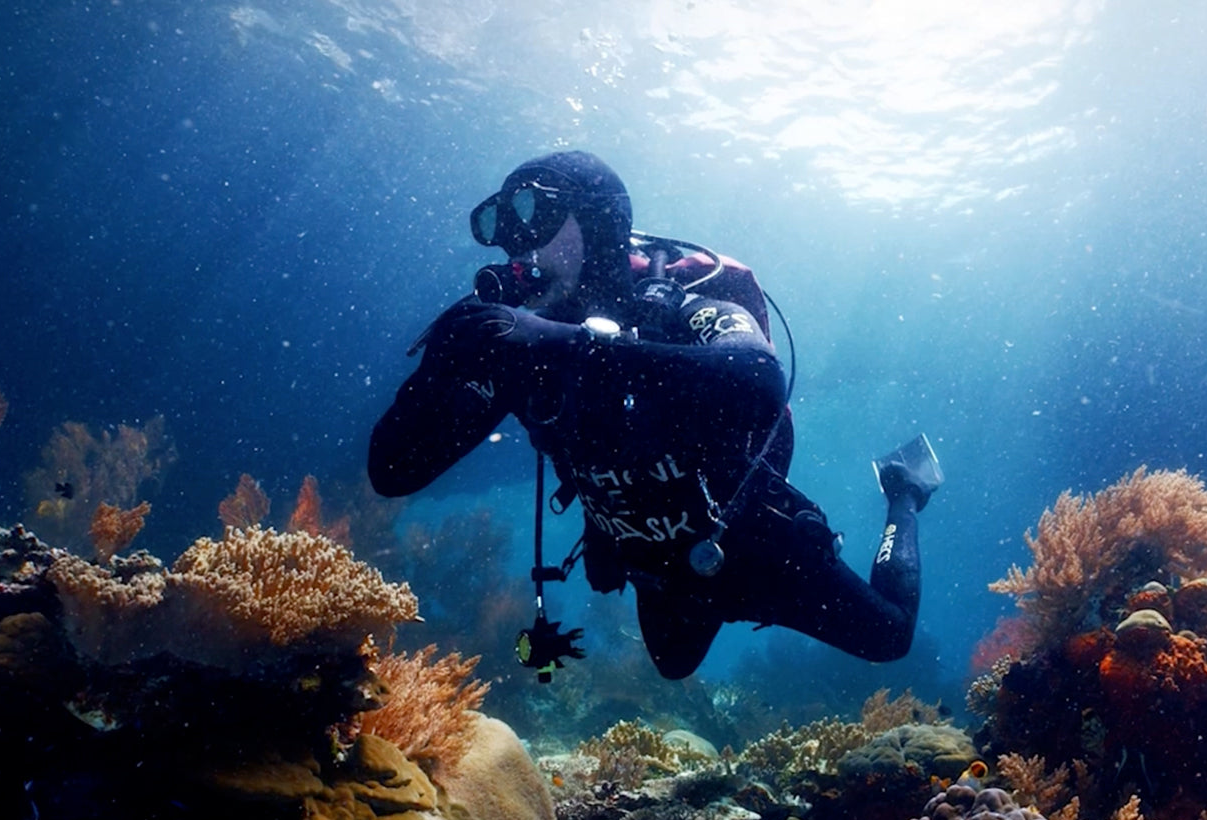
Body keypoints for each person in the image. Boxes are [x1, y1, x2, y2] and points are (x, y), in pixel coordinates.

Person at [367, 151, 942, 680]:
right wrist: (441, 371)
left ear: (597, 224)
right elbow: (394, 471)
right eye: (500, 224)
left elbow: (757, 378)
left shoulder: (675, 303)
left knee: (888, 635)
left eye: (534, 214)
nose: (515, 245)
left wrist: (557, 343)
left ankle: (904, 491)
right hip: (656, 566)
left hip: (749, 540)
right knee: (673, 664)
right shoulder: (519, 348)